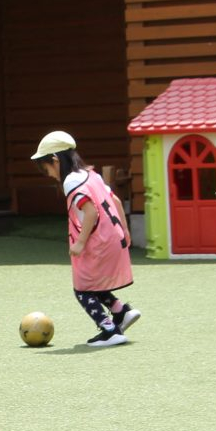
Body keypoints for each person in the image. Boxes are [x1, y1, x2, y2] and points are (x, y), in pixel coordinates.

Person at [31, 131, 138, 347]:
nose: (49, 174)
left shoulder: (71, 181)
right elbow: (114, 200)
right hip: (113, 237)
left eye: (46, 168)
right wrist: (125, 230)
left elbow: (91, 212)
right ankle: (121, 311)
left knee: (82, 289)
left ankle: (109, 330)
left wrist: (79, 242)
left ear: (55, 160)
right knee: (93, 284)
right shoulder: (91, 174)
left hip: (98, 242)